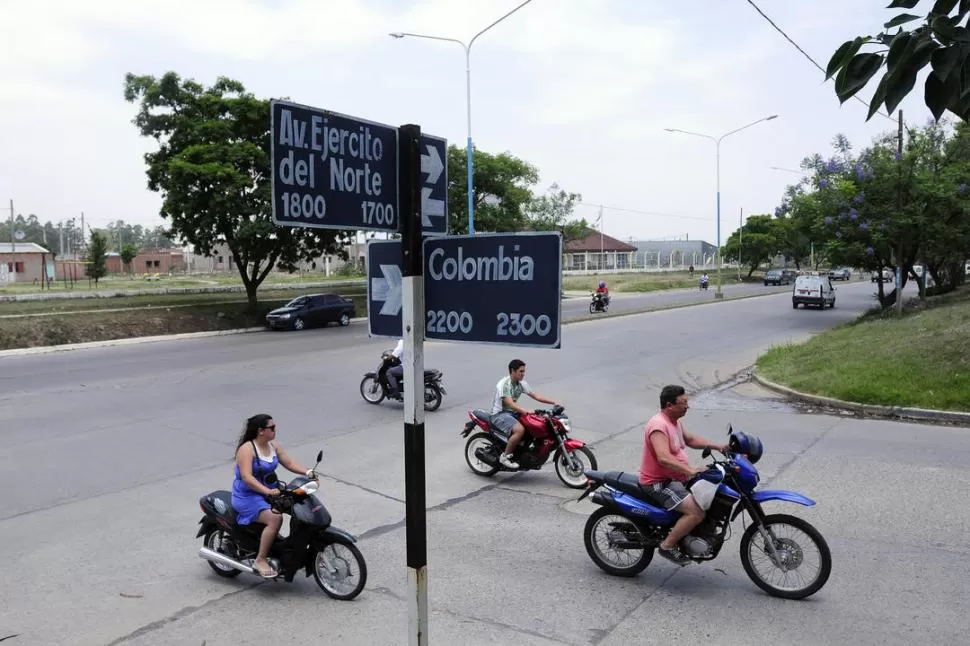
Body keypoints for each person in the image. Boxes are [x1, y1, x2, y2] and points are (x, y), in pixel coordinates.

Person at [638, 385, 728, 565]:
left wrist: (718, 446)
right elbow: (663, 458)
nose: (688, 406)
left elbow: (691, 440)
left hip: (676, 478)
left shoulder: (674, 422)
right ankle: (667, 547)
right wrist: (690, 470)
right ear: (670, 405)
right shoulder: (659, 426)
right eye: (684, 403)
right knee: (696, 512)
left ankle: (692, 534)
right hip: (659, 483)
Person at [232, 414, 315, 578]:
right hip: (247, 496)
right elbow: (247, 477)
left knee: (297, 507)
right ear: (261, 431)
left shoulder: (272, 445)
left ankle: (282, 547)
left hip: (271, 491)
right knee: (275, 518)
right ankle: (261, 559)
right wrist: (267, 491)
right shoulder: (247, 449)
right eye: (272, 428)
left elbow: (289, 463)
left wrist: (307, 472)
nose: (275, 430)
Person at [491, 359, 560, 469]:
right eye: (521, 371)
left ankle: (525, 452)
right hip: (500, 414)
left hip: (513, 413)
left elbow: (536, 396)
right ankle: (505, 457)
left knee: (533, 425)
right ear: (513, 371)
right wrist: (525, 411)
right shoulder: (504, 384)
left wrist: (554, 402)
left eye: (524, 371)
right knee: (520, 430)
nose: (523, 374)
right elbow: (509, 403)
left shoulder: (521, 383)